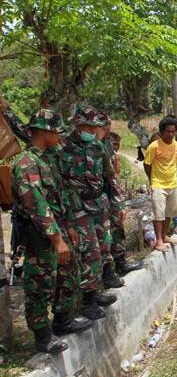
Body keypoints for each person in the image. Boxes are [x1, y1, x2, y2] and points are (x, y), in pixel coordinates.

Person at [11, 109, 92, 353]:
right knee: (40, 284)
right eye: (56, 131)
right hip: (39, 235)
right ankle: (43, 336)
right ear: (44, 131)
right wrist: (56, 238)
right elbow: (36, 204)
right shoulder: (26, 164)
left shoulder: (45, 160)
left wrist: (67, 226)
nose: (59, 136)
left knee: (68, 273)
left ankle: (63, 320)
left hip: (57, 229)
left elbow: (58, 196)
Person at [61, 105, 121, 320]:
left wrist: (117, 205)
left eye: (94, 126)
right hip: (78, 209)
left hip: (99, 204)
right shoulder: (63, 148)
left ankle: (96, 293)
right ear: (78, 125)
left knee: (103, 248)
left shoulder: (98, 147)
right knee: (89, 252)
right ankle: (87, 300)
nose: (93, 130)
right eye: (88, 126)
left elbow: (109, 177)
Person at [96, 112, 144, 276]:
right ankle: (106, 271)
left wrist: (119, 201)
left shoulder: (106, 144)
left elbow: (112, 174)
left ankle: (120, 263)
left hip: (111, 196)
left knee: (118, 230)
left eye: (109, 124)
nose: (109, 127)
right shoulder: (91, 146)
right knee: (103, 236)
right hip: (96, 199)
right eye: (105, 125)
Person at [144, 115, 177, 252]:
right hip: (158, 184)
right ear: (161, 132)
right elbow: (147, 164)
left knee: (169, 213)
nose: (171, 134)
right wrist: (152, 180)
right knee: (158, 214)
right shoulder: (153, 147)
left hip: (172, 184)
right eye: (168, 131)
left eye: (173, 131)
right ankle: (159, 240)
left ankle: (165, 235)